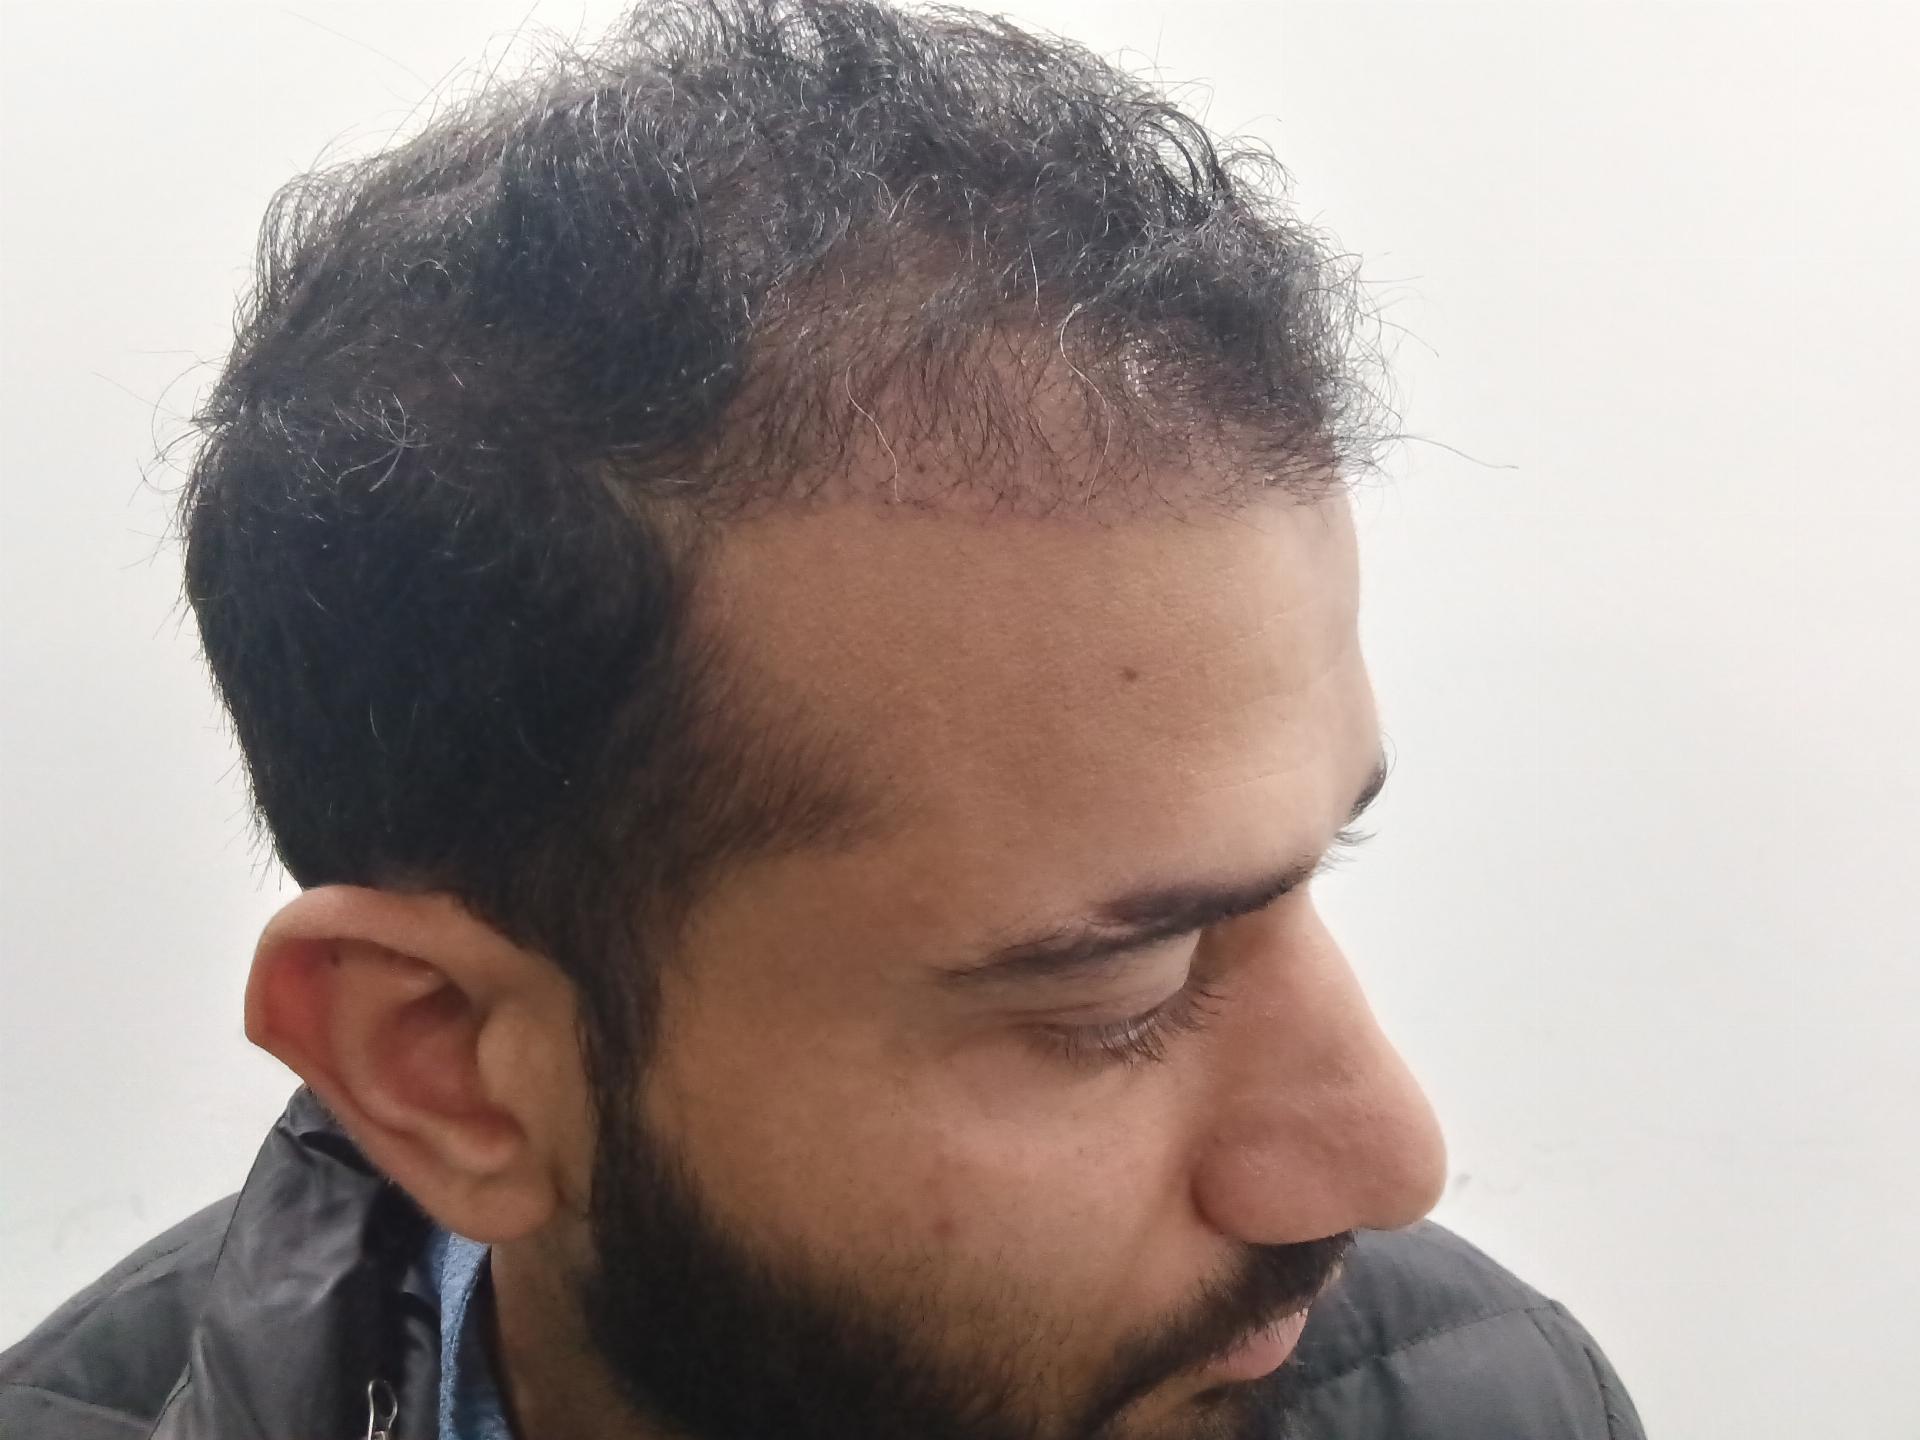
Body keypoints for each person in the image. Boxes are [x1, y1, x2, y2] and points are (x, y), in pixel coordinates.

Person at [0, 2, 1646, 1437]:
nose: (1389, 1159)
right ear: (445, 1068)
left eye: (1316, 866)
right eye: (1117, 998)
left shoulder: (1481, 1395)